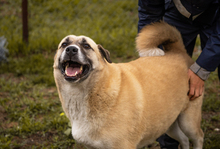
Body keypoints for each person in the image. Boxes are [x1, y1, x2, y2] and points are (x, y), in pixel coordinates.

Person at [138, 0, 220, 148]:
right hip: (178, 13)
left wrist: (201, 70)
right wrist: (150, 59)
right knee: (163, 81)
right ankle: (169, 143)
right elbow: (149, 13)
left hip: (216, 14)